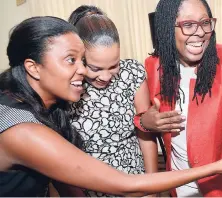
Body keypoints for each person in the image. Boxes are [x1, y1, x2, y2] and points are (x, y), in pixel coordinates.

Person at [0, 16, 222, 197]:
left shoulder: (29, 105)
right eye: (71, 60)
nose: (84, 71)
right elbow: (127, 186)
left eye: (83, 60)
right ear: (33, 68)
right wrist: (217, 167)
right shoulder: (21, 129)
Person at [143, 0, 222, 196]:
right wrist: (145, 122)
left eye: (205, 22)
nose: (199, 32)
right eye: (188, 24)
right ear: (166, 28)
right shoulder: (154, 66)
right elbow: (146, 119)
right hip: (179, 186)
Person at [67, 5, 172, 196]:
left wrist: (151, 187)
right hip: (90, 186)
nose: (106, 77)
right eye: (96, 68)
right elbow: (63, 157)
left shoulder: (132, 73)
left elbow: (145, 134)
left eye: (113, 65)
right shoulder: (68, 86)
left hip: (134, 178)